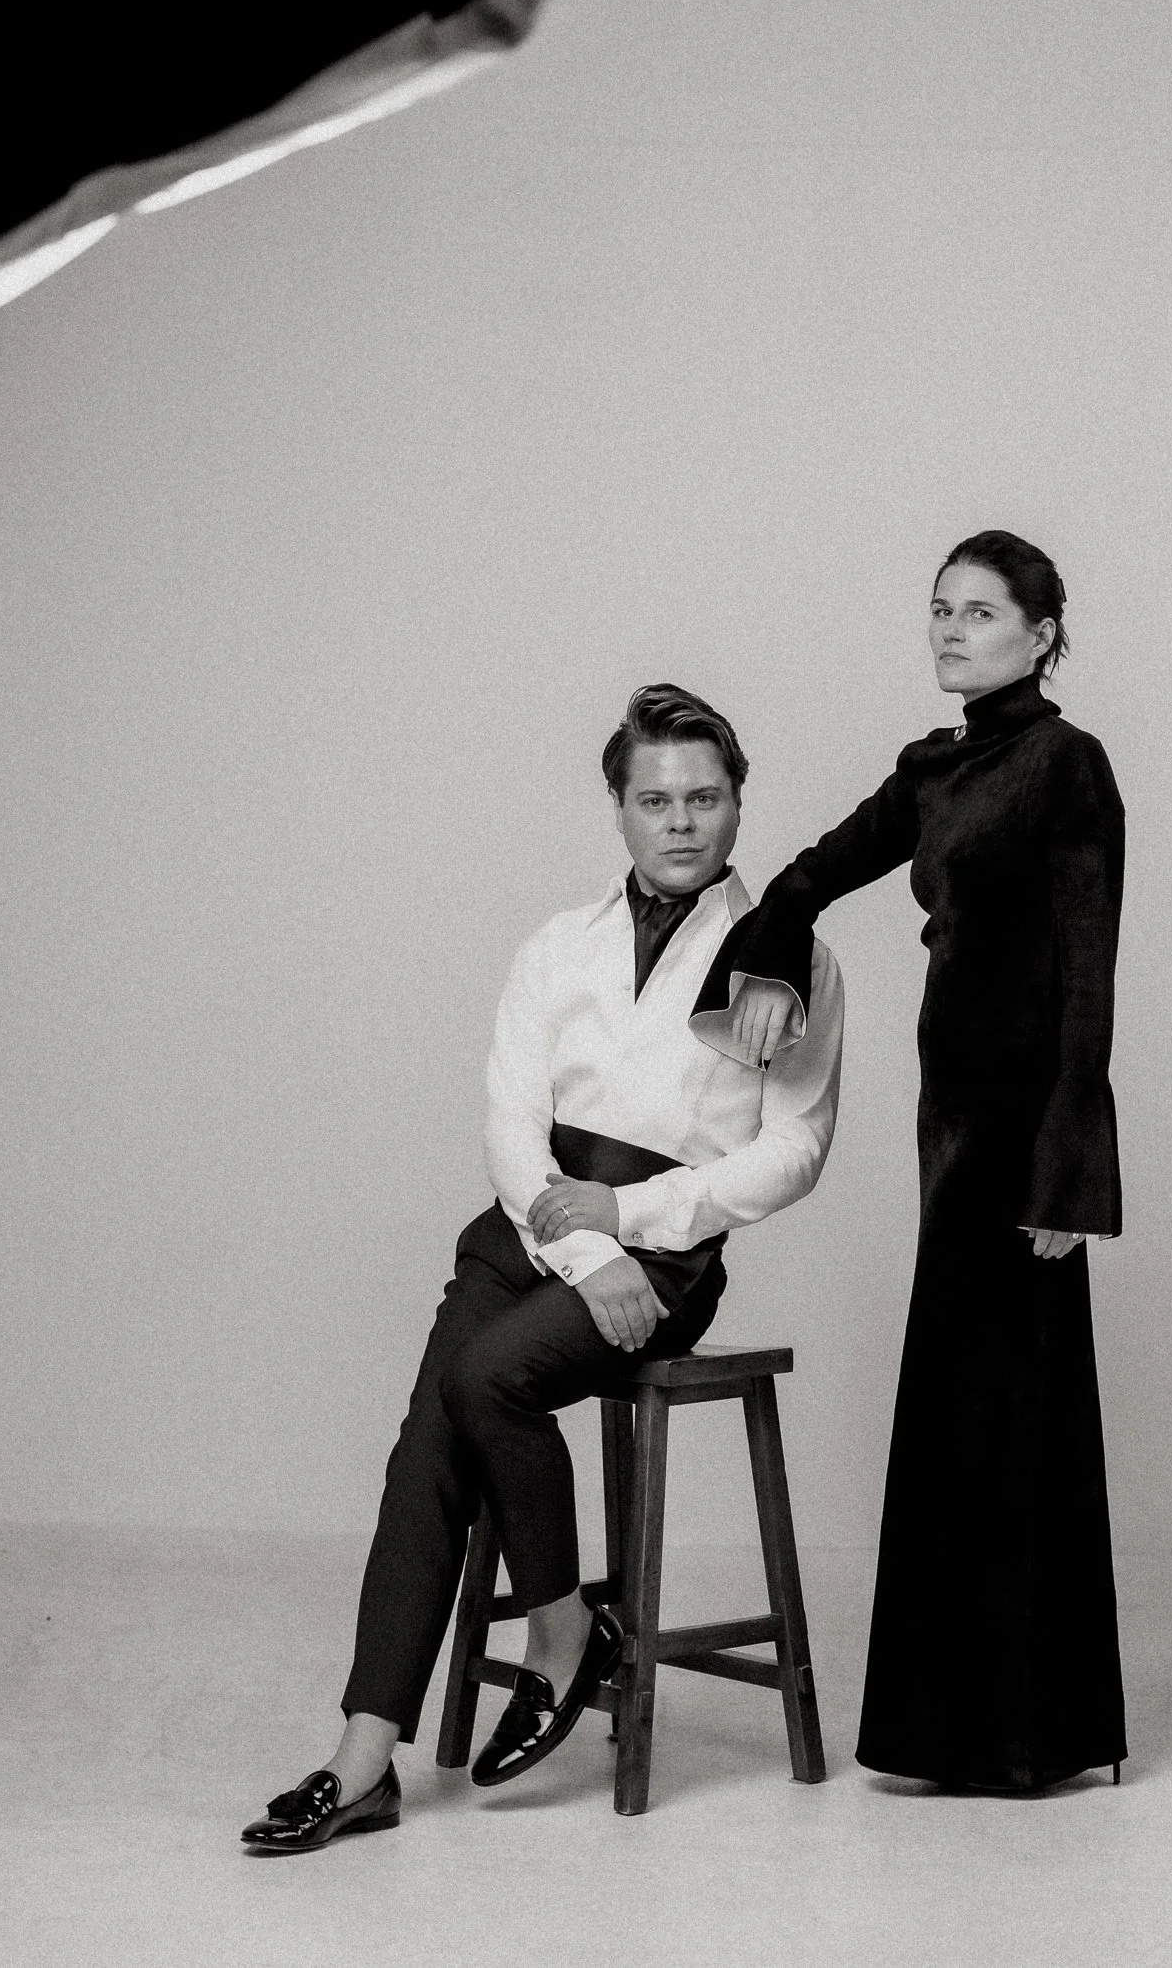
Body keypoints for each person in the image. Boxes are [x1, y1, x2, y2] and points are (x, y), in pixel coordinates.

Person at [241, 683, 844, 1851]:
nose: (680, 821)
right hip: (528, 1233)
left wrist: (634, 1218)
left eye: (703, 797)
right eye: (654, 799)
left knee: (486, 1380)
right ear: (618, 807)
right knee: (428, 1441)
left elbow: (795, 1151)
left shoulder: (790, 959)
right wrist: (582, 1242)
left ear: (737, 802)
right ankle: (362, 1761)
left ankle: (562, 1629)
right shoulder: (557, 945)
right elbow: (511, 1129)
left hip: (664, 1258)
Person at [690, 531, 1126, 1793]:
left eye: (979, 612)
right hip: (949, 1129)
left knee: (1020, 1412)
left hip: (1024, 1134)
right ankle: (944, 1734)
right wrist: (769, 954)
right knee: (952, 1413)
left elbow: (1087, 970)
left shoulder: (1066, 764)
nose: (949, 629)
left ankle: (1033, 1737)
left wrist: (1069, 1168)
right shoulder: (932, 768)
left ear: (1041, 633)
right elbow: (806, 876)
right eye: (939, 608)